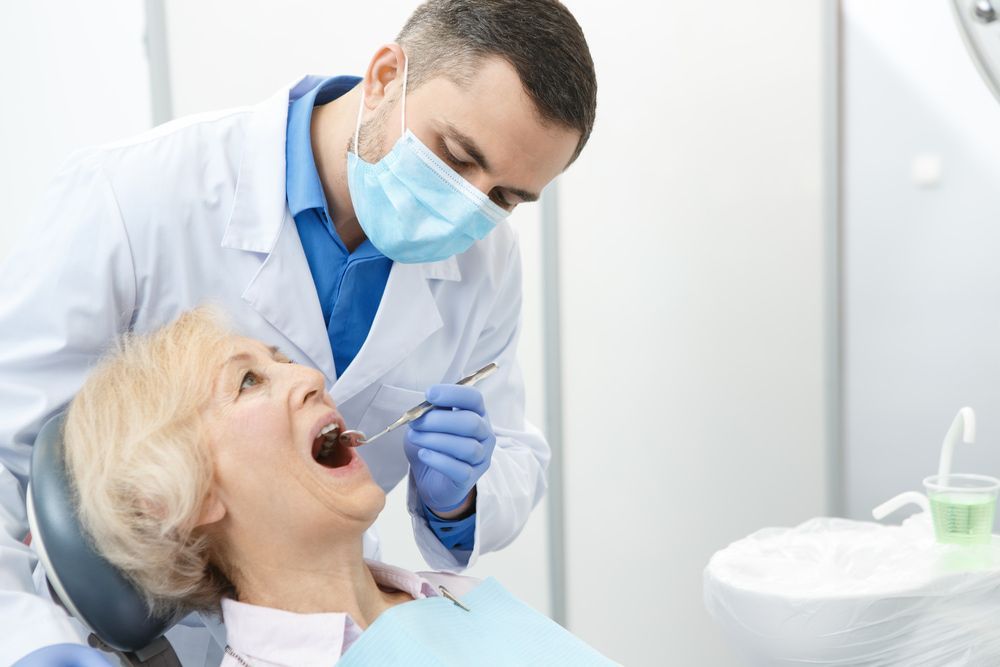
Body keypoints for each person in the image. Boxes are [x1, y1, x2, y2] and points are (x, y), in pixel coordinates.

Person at [0, 0, 597, 663]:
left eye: (506, 197)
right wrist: (26, 640)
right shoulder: (134, 193)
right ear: (383, 77)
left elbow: (511, 447)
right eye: (455, 156)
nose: (471, 203)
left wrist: (462, 498)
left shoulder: (488, 262)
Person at [56, 309, 615, 666]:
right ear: (182, 495)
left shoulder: (451, 595)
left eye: (282, 361)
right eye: (248, 382)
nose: (311, 378)